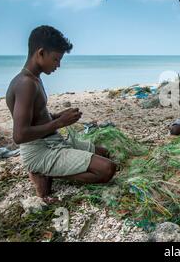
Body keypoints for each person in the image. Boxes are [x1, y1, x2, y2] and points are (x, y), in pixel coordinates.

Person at [6, 25, 116, 202]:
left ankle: (52, 170)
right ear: (41, 53)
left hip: (53, 141)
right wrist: (59, 123)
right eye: (56, 59)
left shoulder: (35, 78)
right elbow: (19, 135)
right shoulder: (25, 83)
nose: (58, 65)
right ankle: (43, 171)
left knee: (104, 153)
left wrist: (57, 116)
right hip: (38, 150)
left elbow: (36, 117)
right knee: (107, 169)